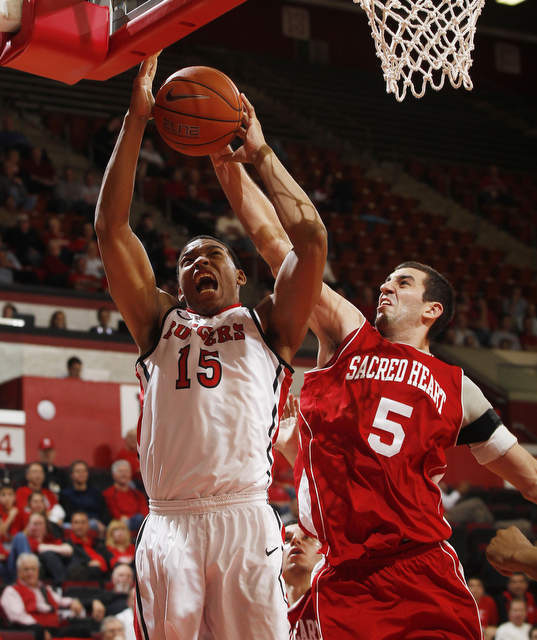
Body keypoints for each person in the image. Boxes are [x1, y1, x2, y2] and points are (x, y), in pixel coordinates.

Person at [212, 132, 537, 640]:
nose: (386, 285)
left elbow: (530, 479)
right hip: (346, 575)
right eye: (386, 279)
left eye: (403, 282)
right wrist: (231, 164)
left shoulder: (460, 389)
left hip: (424, 568)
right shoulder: (349, 335)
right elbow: (278, 247)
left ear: (433, 311)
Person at [94, 54, 327, 640]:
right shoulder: (158, 324)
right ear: (175, 284)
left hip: (245, 517)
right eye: (187, 260)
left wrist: (262, 157)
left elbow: (311, 239)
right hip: (170, 522)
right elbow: (111, 230)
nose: (198, 261)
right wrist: (137, 119)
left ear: (240, 275)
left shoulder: (269, 325)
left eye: (212, 254)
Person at [0, 552, 87, 640]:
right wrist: (41, 629)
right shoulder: (11, 591)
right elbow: (18, 616)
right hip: (32, 631)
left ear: (38, 571)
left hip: (54, 629)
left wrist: (73, 602)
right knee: (38, 632)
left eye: (33, 569)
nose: (30, 573)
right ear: (19, 572)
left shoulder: (45, 589)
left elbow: (60, 601)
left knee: (82, 630)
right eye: (26, 569)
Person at [283, 521, 322, 640]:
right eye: (287, 539)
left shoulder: (335, 599)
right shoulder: (261, 607)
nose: (295, 540)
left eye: (307, 537)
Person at [60, 459, 108, 533]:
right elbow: (67, 515)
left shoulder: (96, 493)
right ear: (72, 475)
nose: (81, 474)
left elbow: (104, 512)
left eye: (84, 471)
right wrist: (84, 522)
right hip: (74, 524)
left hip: (95, 524)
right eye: (78, 471)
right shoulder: (65, 494)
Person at [102, 460, 148, 531]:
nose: (124, 474)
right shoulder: (108, 493)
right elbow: (114, 514)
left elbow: (145, 511)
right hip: (120, 524)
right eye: (120, 471)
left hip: (139, 522)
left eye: (126, 472)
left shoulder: (138, 494)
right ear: (113, 475)